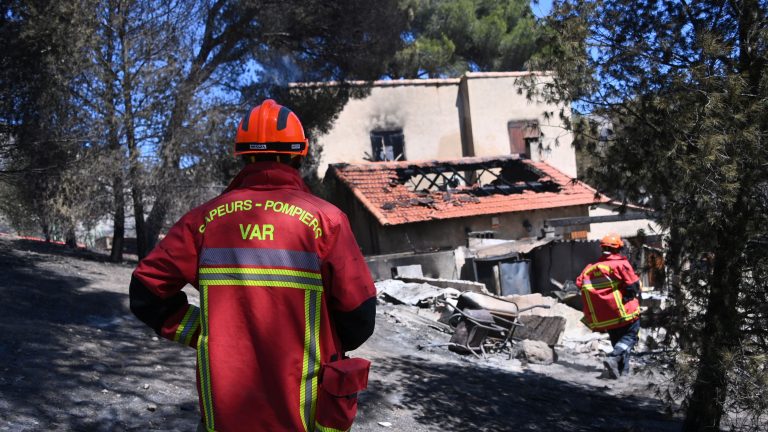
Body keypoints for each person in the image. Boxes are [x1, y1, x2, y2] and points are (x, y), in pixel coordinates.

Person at [129, 99, 376, 432]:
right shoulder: (326, 221)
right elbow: (360, 317)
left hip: (225, 416)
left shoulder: (203, 221)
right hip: (303, 415)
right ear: (298, 155)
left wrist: (204, 333)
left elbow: (145, 293)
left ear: (242, 156)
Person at [575, 233, 641, 379]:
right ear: (618, 248)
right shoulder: (620, 264)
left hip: (604, 317)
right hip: (623, 312)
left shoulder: (590, 268)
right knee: (631, 335)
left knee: (618, 341)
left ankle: (622, 373)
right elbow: (634, 286)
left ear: (602, 248)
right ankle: (613, 358)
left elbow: (579, 284)